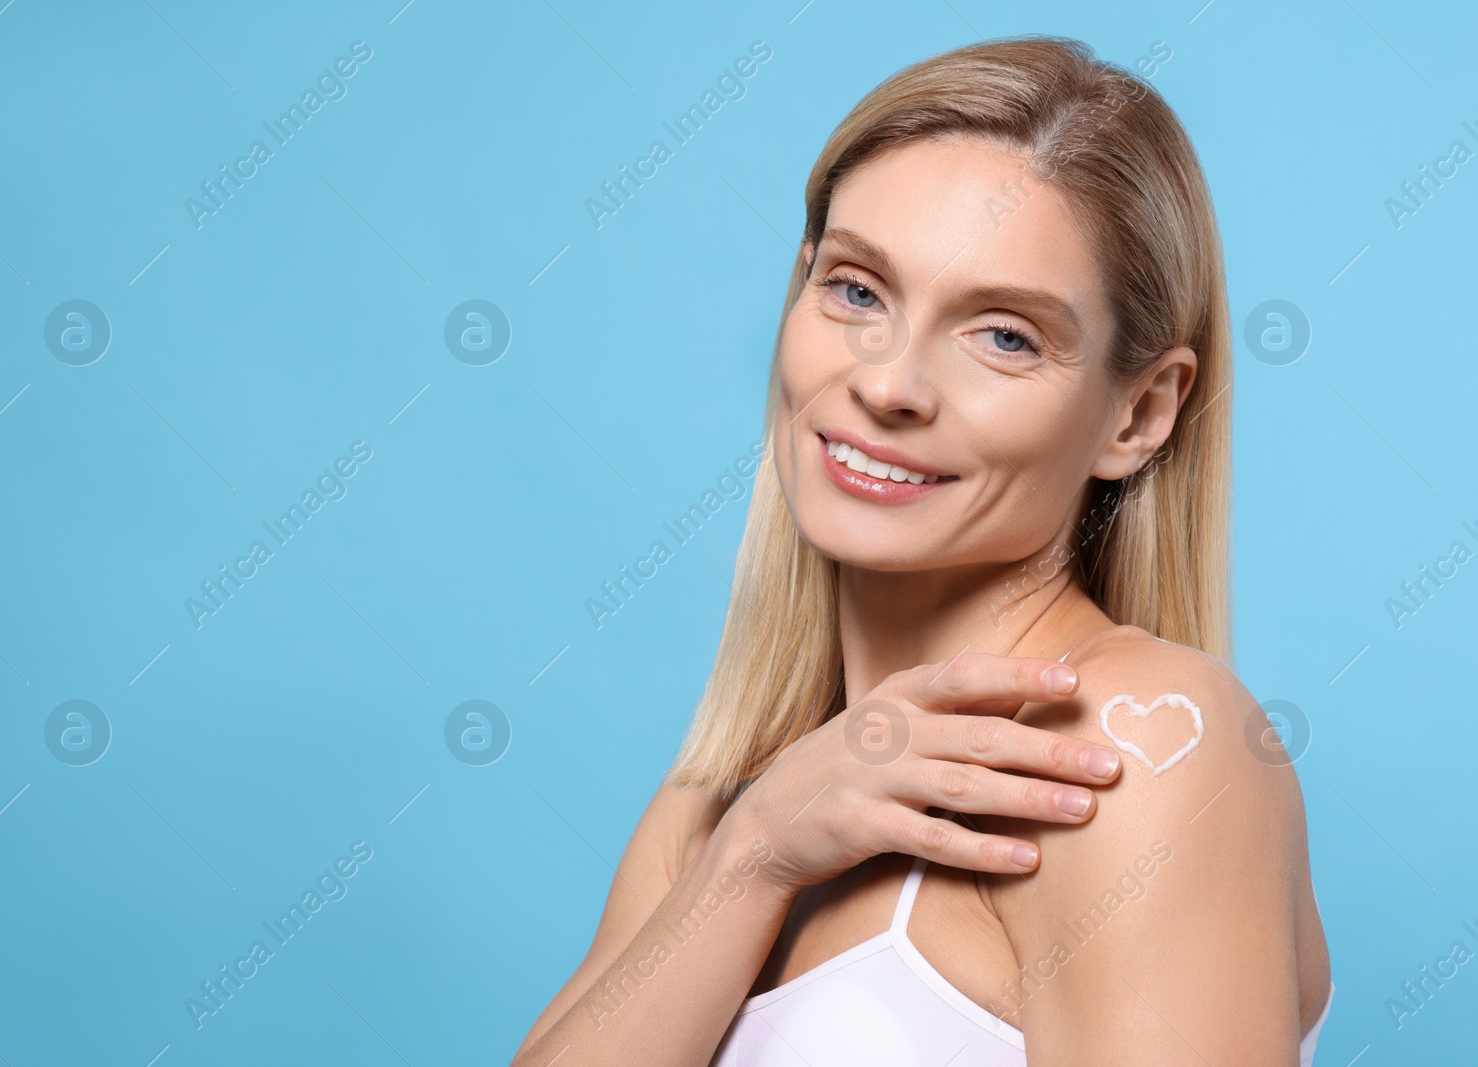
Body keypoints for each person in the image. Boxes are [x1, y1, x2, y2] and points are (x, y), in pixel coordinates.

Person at [514, 34, 1330, 1066]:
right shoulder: (721, 810)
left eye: (1003, 335)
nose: (889, 382)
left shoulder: (1134, 753)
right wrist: (754, 857)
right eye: (856, 290)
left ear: (1138, 412)